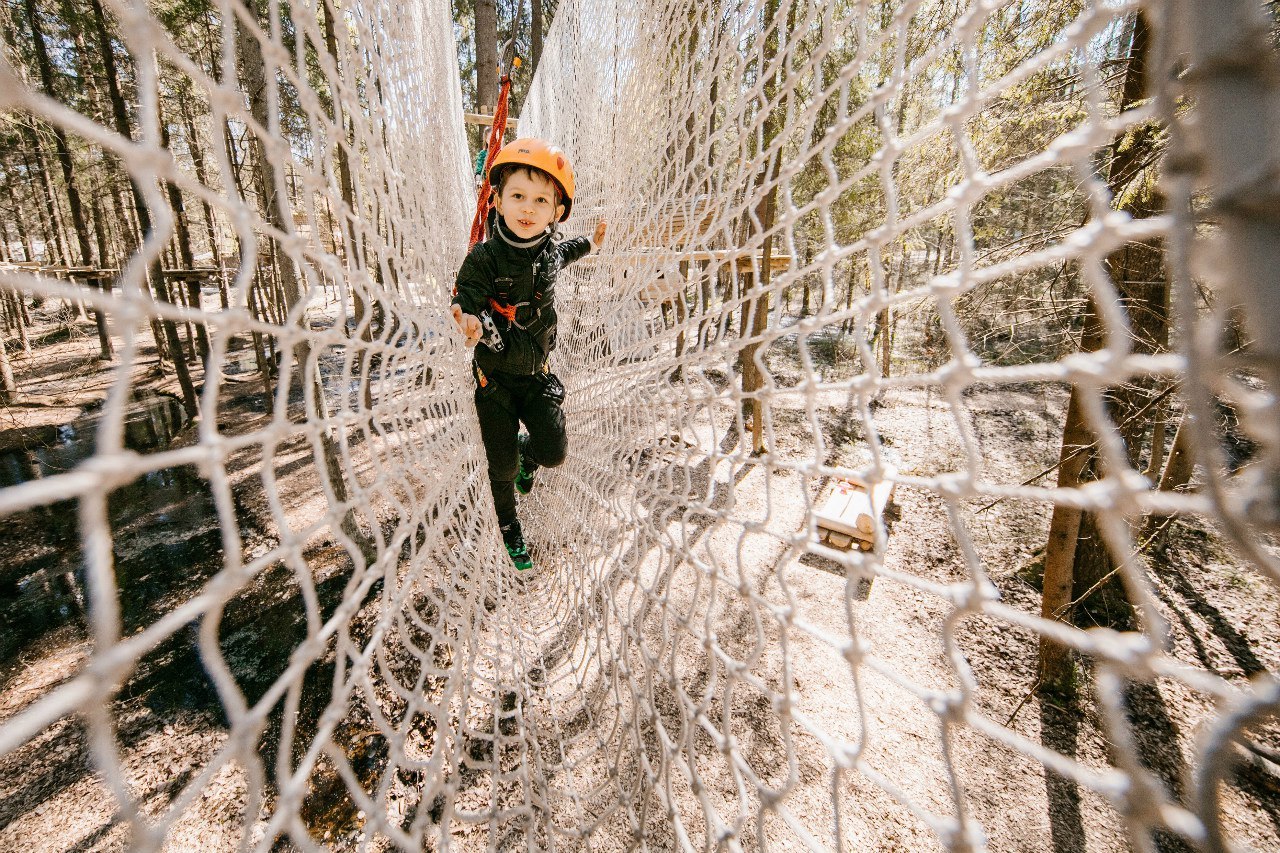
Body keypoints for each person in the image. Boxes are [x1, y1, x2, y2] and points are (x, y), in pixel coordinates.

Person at [451, 138, 607, 571]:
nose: (527, 207)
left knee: (553, 452)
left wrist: (591, 244)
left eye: (541, 200)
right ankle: (509, 527)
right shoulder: (483, 258)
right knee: (501, 468)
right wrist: (466, 318)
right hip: (495, 384)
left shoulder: (551, 252)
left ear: (556, 212)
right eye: (517, 195)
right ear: (497, 201)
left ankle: (529, 455)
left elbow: (568, 251)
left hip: (537, 377)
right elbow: (466, 296)